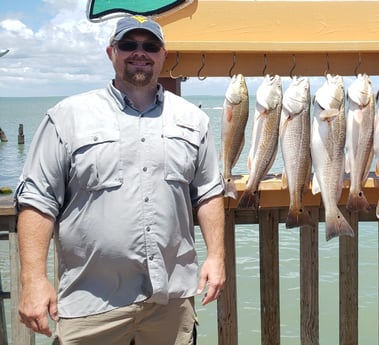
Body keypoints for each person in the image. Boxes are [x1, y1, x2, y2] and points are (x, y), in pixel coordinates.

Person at [15, 15, 226, 344]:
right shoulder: (67, 116)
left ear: (163, 55)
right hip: (91, 306)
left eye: (150, 46)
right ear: (111, 52)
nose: (139, 52)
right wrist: (33, 279)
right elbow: (37, 202)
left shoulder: (194, 120)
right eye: (129, 44)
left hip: (170, 303)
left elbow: (209, 193)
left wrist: (216, 256)